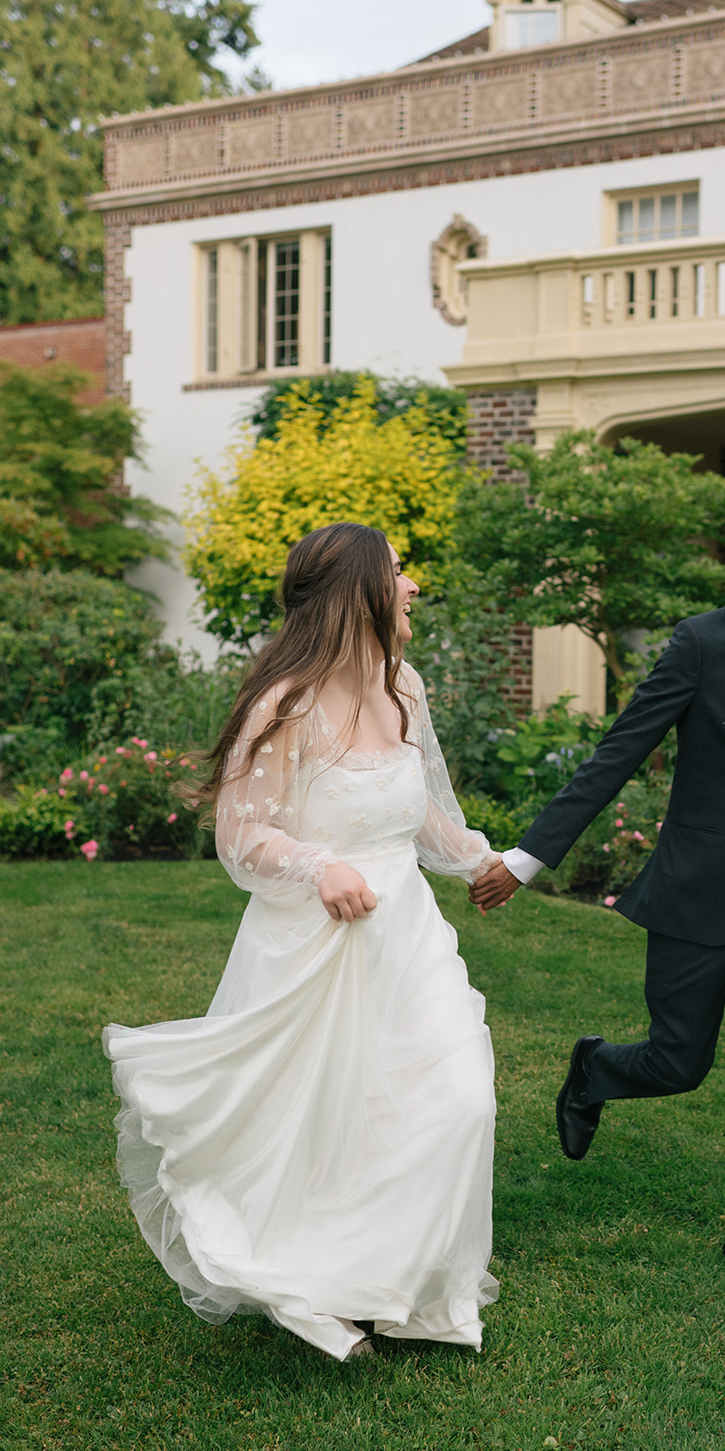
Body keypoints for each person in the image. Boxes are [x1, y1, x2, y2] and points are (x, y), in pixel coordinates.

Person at [104, 523, 502, 1360]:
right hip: (317, 942)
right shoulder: (283, 704)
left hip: (407, 933)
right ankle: (320, 1285)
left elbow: (418, 807)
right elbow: (240, 835)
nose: (413, 587)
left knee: (457, 1098)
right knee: (325, 1120)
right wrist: (318, 865)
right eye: (397, 573)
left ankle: (405, 1285)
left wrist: (481, 862)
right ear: (359, 591)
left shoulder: (405, 689)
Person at [471, 479, 725, 1292]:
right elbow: (616, 754)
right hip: (700, 883)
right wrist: (528, 858)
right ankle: (595, 1071)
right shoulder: (700, 643)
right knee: (680, 1062)